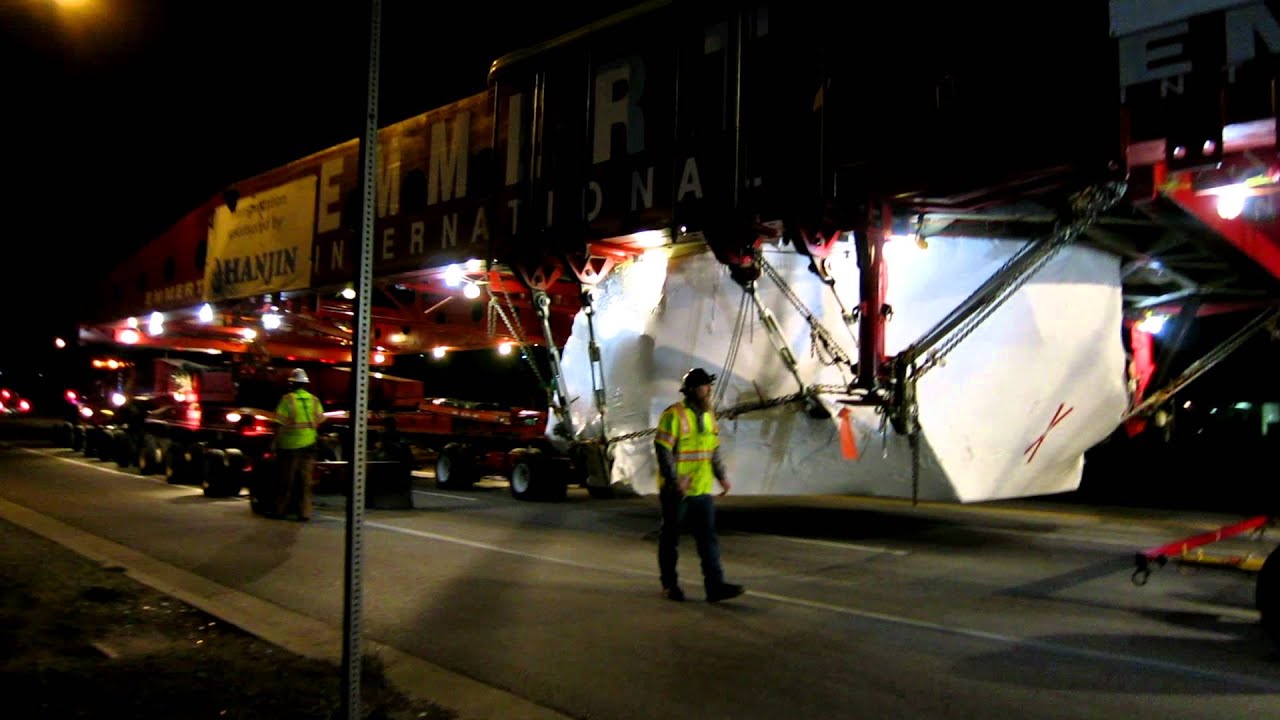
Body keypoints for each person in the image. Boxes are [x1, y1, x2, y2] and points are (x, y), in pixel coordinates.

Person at [653, 367, 745, 603]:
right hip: (677, 493)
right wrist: (674, 482)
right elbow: (663, 450)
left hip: (702, 490)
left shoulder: (708, 415)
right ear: (693, 390)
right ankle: (669, 585)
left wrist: (721, 476)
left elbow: (712, 449)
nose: (709, 390)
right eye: (706, 386)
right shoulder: (673, 415)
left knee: (707, 540)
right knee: (670, 539)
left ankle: (715, 587)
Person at [271, 368, 324, 521]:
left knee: (287, 480)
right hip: (309, 445)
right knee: (305, 481)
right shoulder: (314, 400)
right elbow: (319, 420)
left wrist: (275, 443)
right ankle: (305, 512)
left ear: (292, 384)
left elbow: (280, 423)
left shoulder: (287, 400)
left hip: (290, 446)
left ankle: (280, 510)